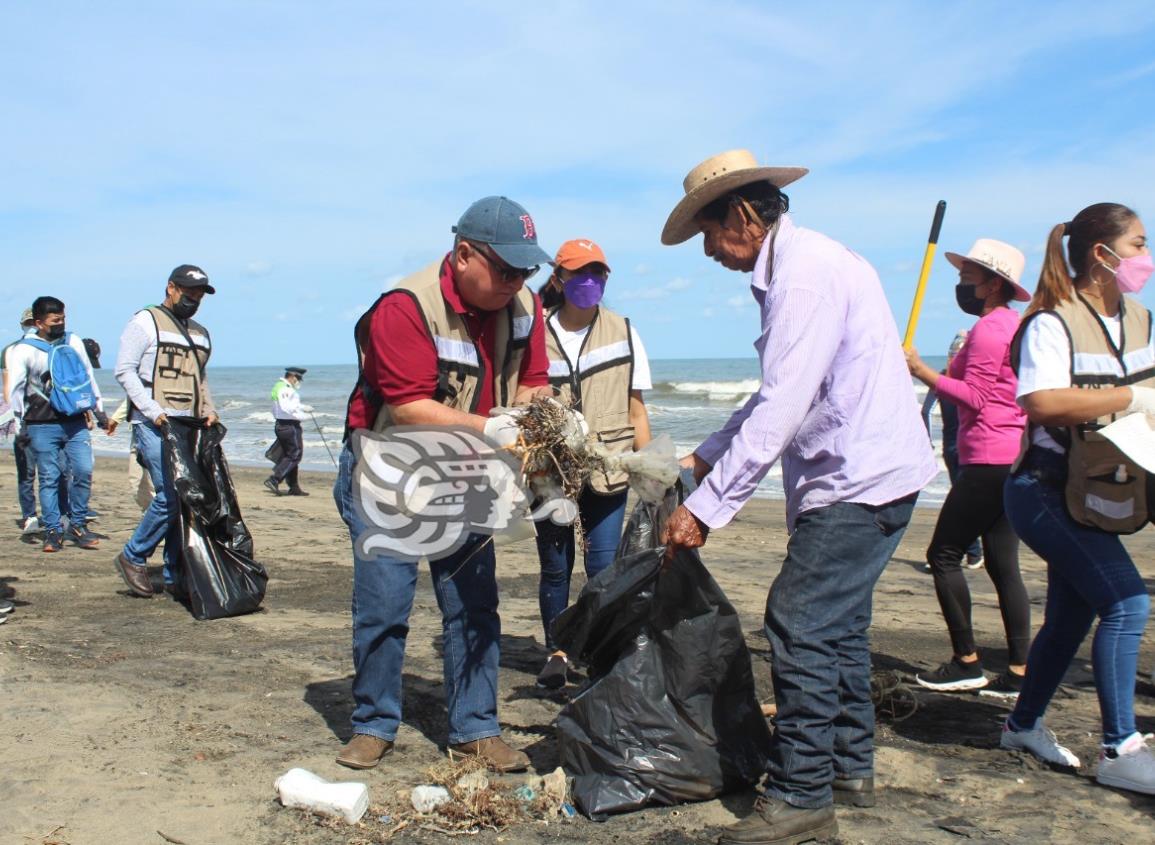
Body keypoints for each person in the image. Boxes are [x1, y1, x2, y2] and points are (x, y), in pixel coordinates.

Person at [660, 150, 937, 844]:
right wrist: (705, 454)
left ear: (742, 216)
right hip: (869, 472)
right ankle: (847, 765)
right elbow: (779, 391)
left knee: (799, 621)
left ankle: (801, 794)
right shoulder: (808, 261)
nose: (708, 251)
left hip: (859, 476)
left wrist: (704, 508)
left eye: (708, 233)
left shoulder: (803, 277)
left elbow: (783, 404)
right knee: (838, 628)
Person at [333, 196, 558, 774]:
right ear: (464, 254)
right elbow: (407, 407)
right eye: (505, 269)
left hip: (468, 473)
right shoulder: (405, 307)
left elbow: (533, 380)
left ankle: (476, 728)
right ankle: (374, 723)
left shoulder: (527, 306)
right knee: (384, 605)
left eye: (526, 271)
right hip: (393, 472)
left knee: (474, 605)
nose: (517, 281)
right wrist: (490, 425)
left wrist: (542, 417)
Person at [1001, 203, 1155, 795]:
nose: (1144, 257)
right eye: (1138, 244)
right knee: (1127, 603)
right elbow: (1039, 402)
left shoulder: (1140, 319)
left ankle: (1022, 725)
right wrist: (1133, 400)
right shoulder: (1052, 321)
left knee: (1070, 617)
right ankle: (1121, 747)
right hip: (1043, 488)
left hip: (1102, 491)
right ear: (1103, 254)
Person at [905, 240, 1031, 699]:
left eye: (967, 278)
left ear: (993, 283)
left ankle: (966, 662)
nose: (961, 285)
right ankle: (1018, 672)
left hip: (986, 460)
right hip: (1011, 457)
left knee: (943, 555)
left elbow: (975, 397)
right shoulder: (1011, 326)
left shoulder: (989, 331)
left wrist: (921, 371)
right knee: (1002, 564)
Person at [532, 238, 654, 689]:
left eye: (598, 272)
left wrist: (649, 472)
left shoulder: (623, 330)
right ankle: (558, 652)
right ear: (559, 279)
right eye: (580, 272)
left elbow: (636, 409)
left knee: (604, 566)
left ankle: (598, 653)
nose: (590, 281)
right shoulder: (534, 333)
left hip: (610, 468)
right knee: (556, 565)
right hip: (551, 472)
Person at [113, 265, 219, 599]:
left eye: (200, 294)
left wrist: (209, 409)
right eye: (189, 293)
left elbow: (198, 378)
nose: (195, 299)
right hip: (152, 423)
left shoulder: (200, 333)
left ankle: (175, 574)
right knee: (171, 496)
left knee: (186, 500)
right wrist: (152, 410)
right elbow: (125, 371)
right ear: (171, 288)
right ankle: (133, 556)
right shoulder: (144, 322)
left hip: (187, 426)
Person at [6, 296, 104, 552]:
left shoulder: (73, 341)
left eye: (63, 319)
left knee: (83, 471)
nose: (61, 324)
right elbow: (15, 389)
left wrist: (99, 410)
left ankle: (78, 523)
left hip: (74, 421)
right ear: (39, 322)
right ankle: (52, 530)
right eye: (55, 320)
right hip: (40, 423)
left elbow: (87, 375)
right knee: (49, 477)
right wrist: (18, 426)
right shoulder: (23, 350)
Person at [919, 331, 984, 572]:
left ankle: (971, 551)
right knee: (964, 499)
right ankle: (973, 551)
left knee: (963, 500)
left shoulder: (950, 380)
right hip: (960, 447)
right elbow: (924, 413)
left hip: (965, 447)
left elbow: (925, 413)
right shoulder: (960, 381)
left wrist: (926, 442)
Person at [2, 308, 43, 533]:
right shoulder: (10, 350)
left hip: (48, 418)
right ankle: (29, 515)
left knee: (54, 471)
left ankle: (57, 514)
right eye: (28, 323)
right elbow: (8, 387)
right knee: (26, 470)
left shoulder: (52, 349)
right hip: (25, 419)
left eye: (33, 322)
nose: (31, 327)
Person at [265, 366, 312, 496]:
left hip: (282, 425)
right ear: (292, 376)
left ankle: (294, 487)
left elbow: (290, 406)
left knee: (290, 456)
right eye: (298, 379)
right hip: (289, 426)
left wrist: (303, 407)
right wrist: (303, 416)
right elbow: (286, 408)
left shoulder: (279, 386)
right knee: (295, 455)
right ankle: (274, 479)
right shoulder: (284, 389)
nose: (299, 382)